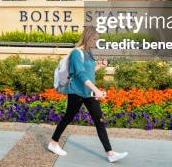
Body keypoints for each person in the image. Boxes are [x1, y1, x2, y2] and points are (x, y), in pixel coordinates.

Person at [48, 27, 128, 163]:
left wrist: (99, 66)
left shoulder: (88, 53)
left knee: (99, 120)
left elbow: (88, 72)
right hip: (77, 92)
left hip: (88, 92)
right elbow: (79, 74)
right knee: (68, 117)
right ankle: (53, 143)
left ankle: (110, 153)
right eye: (95, 39)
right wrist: (96, 90)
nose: (97, 42)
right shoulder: (76, 53)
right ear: (88, 38)